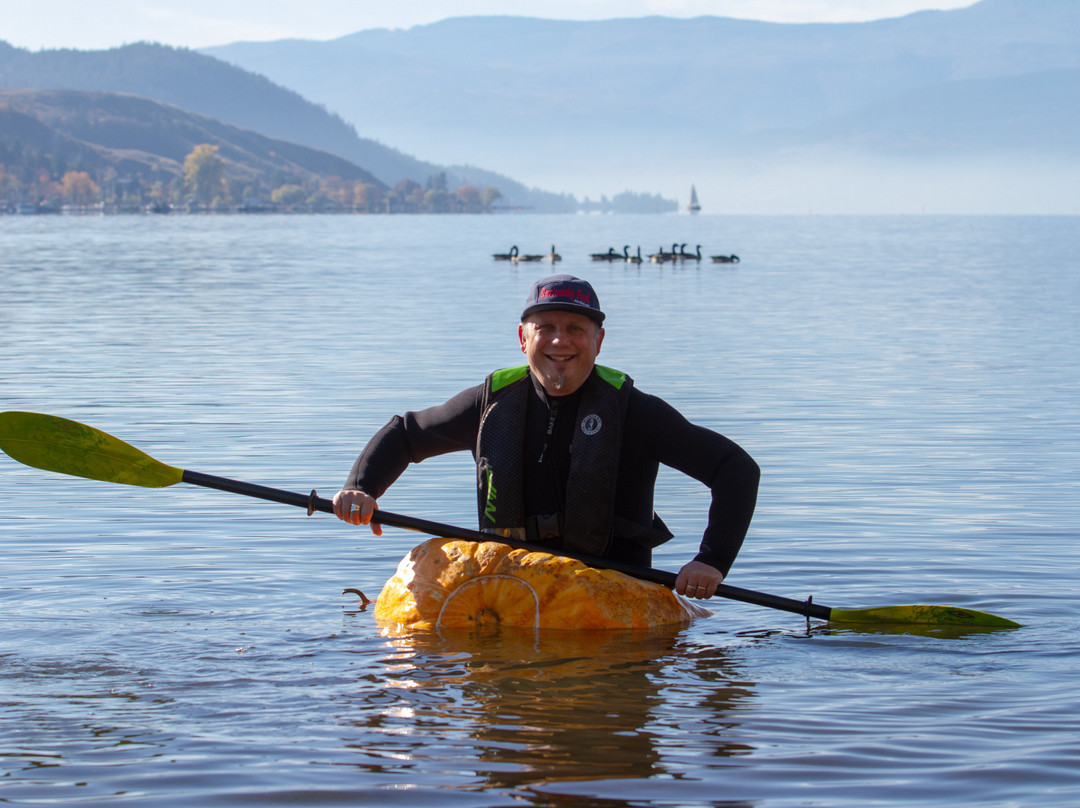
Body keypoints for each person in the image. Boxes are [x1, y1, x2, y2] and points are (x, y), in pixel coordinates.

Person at [333, 274, 759, 600]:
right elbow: (405, 434)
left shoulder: (636, 412)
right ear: (524, 338)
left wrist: (711, 560)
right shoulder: (488, 404)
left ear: (599, 340)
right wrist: (361, 488)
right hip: (511, 594)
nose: (560, 340)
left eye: (576, 328)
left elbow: (734, 469)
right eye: (546, 327)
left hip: (613, 600)